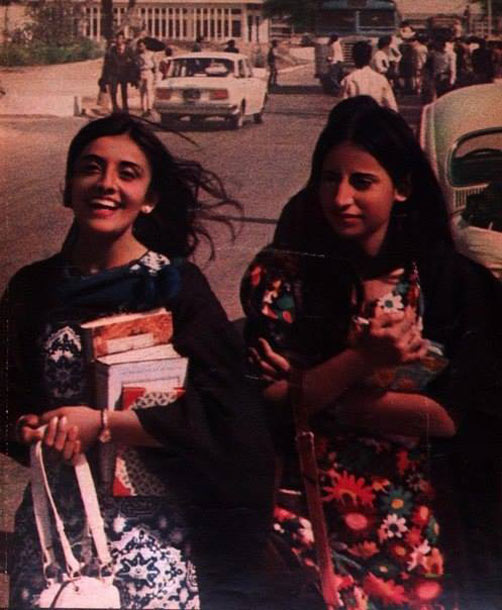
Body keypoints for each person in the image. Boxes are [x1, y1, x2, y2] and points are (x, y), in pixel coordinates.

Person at [3, 114, 275, 609]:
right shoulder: (32, 289)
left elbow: (229, 413)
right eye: (91, 168)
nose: (106, 184)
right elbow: (6, 397)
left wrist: (104, 424)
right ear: (67, 188)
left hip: (152, 536)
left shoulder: (175, 288)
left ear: (149, 199)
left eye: (127, 173)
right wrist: (26, 427)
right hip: (51, 537)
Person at [240, 96, 502, 608]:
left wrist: (318, 390)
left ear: (401, 188)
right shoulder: (284, 279)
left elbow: (451, 418)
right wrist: (362, 361)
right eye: (329, 179)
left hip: (420, 533)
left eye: (362, 182)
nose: (341, 198)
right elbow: (266, 403)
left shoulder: (452, 288)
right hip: (306, 527)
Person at [341, 41, 398, 111]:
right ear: (370, 58)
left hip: (357, 115)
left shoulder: (348, 79)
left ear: (353, 58)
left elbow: (344, 107)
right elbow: (392, 107)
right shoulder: (381, 79)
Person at [102, 32, 136, 112]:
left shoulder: (128, 49)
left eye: (120, 38)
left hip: (124, 73)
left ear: (123, 39)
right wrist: (105, 75)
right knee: (113, 91)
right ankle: (115, 107)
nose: (118, 40)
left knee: (124, 90)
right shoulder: (112, 49)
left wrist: (132, 73)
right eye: (117, 38)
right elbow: (107, 62)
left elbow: (133, 61)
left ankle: (125, 107)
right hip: (114, 73)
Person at [135, 38, 158, 117]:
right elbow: (137, 65)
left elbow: (155, 64)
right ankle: (143, 109)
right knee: (142, 92)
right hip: (141, 72)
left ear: (145, 46)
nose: (140, 47)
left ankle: (149, 108)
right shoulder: (138, 55)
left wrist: (156, 74)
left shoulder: (151, 54)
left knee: (149, 90)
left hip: (149, 72)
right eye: (139, 46)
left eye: (141, 46)